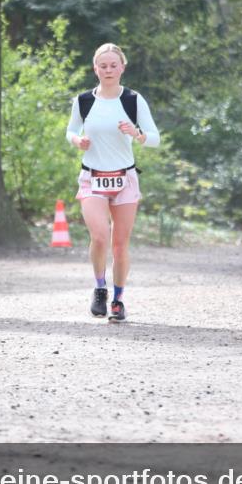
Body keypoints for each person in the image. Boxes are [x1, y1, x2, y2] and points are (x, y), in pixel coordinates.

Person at [66, 43, 160, 321]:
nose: (108, 70)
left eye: (113, 65)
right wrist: (77, 140)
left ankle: (118, 300)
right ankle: (99, 288)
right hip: (92, 177)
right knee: (99, 236)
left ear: (122, 68)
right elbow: (71, 129)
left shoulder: (132, 99)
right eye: (102, 65)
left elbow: (155, 137)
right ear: (95, 69)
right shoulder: (84, 100)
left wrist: (138, 134)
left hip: (125, 178)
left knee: (119, 245)